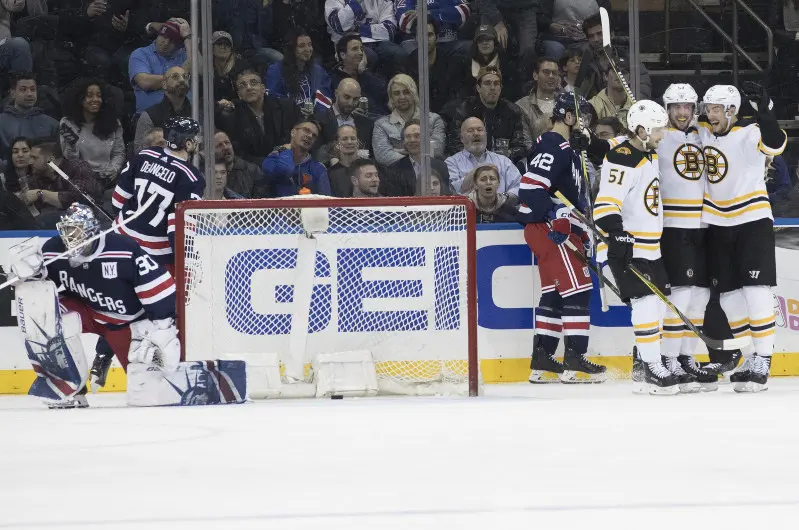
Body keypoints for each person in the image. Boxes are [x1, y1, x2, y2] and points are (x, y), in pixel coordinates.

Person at [6, 204, 180, 408]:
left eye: (76, 230)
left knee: (147, 398)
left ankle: (109, 358)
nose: (70, 237)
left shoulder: (122, 249)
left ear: (91, 230)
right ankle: (66, 386)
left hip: (127, 324)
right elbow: (44, 288)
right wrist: (27, 278)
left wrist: (163, 328)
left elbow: (161, 287)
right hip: (87, 311)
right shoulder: (54, 250)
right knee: (39, 302)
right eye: (67, 230)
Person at [697, 84, 786, 392]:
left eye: (717, 109)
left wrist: (768, 115)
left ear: (732, 111)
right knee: (728, 295)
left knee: (756, 289)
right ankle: (749, 356)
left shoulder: (750, 134)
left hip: (752, 220)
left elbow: (775, 144)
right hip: (718, 224)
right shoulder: (704, 134)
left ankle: (763, 359)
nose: (711, 114)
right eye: (709, 108)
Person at [518, 91, 606, 384]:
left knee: (556, 293)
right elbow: (530, 188)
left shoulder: (566, 147)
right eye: (584, 120)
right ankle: (575, 363)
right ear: (569, 117)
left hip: (553, 228)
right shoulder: (555, 147)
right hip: (552, 230)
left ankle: (542, 360)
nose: (587, 127)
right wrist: (558, 219)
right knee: (579, 290)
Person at [593, 100, 672, 394]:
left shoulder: (646, 153)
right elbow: (605, 204)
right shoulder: (622, 158)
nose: (663, 135)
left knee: (660, 304)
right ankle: (653, 367)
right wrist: (617, 233)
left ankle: (642, 364)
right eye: (659, 129)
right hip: (628, 244)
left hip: (651, 247)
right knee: (646, 303)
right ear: (642, 130)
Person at [648, 84, 717, 392]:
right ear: (666, 107)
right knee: (680, 296)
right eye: (675, 106)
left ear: (694, 108)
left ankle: (687, 357)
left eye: (686, 106)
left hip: (704, 225)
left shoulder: (705, 135)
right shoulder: (657, 135)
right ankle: (668, 359)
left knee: (700, 297)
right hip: (674, 227)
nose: (681, 112)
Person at [111, 117, 205, 273]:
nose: (197, 142)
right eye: (195, 138)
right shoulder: (191, 177)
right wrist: (188, 265)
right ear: (187, 143)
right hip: (156, 257)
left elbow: (118, 200)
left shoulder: (145, 154)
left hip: (121, 241)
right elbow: (180, 231)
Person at [217, 68, 297, 166]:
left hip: (284, 162)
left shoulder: (284, 107)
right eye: (242, 86)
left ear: (263, 88)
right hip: (252, 169)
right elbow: (239, 154)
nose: (249, 88)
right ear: (239, 95)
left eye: (253, 83)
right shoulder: (232, 116)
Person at [448, 67, 528, 162]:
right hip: (470, 162)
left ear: (501, 88)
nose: (492, 88)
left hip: (503, 163)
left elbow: (520, 146)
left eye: (496, 83)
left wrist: (507, 153)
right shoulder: (465, 110)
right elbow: (455, 144)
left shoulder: (512, 111)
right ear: (478, 88)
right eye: (487, 83)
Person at [59, 79, 125, 186]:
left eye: (99, 96)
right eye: (89, 96)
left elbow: (118, 152)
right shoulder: (67, 123)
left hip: (107, 178)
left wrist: (113, 169)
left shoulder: (113, 123)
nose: (95, 99)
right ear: (80, 99)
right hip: (80, 178)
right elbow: (70, 160)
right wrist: (72, 146)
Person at [25, 141, 103, 229]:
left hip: (85, 222)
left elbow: (80, 199)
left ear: (50, 159)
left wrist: (42, 194)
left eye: (34, 158)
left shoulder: (78, 167)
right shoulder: (36, 177)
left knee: (44, 219)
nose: (30, 162)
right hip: (51, 227)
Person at [372, 74, 445, 166]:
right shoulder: (381, 124)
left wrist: (397, 151)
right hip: (397, 175)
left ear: (414, 94)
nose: (402, 97)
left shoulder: (433, 120)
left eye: (406, 92)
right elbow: (383, 156)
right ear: (391, 98)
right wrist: (414, 158)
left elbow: (437, 150)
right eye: (396, 93)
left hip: (429, 172)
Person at [324, 0, 405, 77]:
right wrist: (356, 2)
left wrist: (357, 29)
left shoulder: (384, 2)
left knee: (398, 53)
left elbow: (389, 31)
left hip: (377, 42)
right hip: (348, 43)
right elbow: (338, 25)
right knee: (370, 57)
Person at [129, 19, 192, 112]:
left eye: (172, 41)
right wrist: (182, 75)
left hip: (185, 115)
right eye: (164, 36)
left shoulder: (183, 55)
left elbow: (202, 70)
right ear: (158, 35)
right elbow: (145, 82)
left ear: (179, 45)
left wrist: (188, 38)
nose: (166, 43)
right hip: (152, 119)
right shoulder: (140, 54)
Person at [445, 117, 521, 195]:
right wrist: (477, 171)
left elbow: (518, 186)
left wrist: (503, 198)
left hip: (501, 206)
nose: (476, 133)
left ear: (486, 135)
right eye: (470, 131)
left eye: (480, 130)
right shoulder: (451, 163)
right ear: (462, 138)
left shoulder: (504, 162)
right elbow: (451, 191)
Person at [265, 29, 333, 113]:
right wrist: (296, 111)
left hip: (315, 120)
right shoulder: (276, 71)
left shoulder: (318, 71)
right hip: (288, 120)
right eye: (301, 46)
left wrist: (315, 113)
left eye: (309, 45)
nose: (308, 49)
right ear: (291, 49)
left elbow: (325, 98)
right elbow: (272, 99)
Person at [262, 119, 331, 196]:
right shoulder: (272, 159)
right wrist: (286, 151)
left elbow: (325, 200)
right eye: (306, 130)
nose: (310, 136)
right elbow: (285, 171)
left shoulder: (319, 168)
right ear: (293, 132)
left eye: (314, 135)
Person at [0, 73, 59, 163]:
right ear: (13, 93)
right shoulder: (2, 122)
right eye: (23, 90)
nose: (29, 94)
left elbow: (58, 158)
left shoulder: (52, 124)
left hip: (44, 174)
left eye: (33, 89)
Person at [133, 66, 192, 154]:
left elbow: (209, 145)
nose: (182, 80)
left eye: (185, 76)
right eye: (175, 77)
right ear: (164, 84)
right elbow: (139, 150)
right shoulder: (150, 115)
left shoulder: (198, 112)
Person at [385, 121, 450, 196]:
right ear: (403, 141)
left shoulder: (441, 166)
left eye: (417, 136)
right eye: (408, 136)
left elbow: (445, 195)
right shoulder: (394, 170)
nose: (412, 140)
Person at [406, 18, 458, 113]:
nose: (425, 40)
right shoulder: (408, 64)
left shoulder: (450, 61)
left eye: (429, 35)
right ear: (415, 38)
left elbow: (455, 96)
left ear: (436, 37)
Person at [329, 33, 387, 114]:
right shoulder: (333, 79)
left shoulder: (368, 74)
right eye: (355, 49)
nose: (360, 53)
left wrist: (364, 72)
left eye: (361, 49)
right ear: (343, 55)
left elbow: (382, 95)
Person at [479, 0, 539, 77]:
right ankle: (490, 84)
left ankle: (527, 86)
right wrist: (497, 21)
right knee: (490, 47)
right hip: (495, 7)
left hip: (526, 9)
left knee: (528, 50)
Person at [396, 0, 471, 60]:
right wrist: (446, 15)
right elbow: (404, 21)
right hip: (415, 44)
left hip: (448, 43)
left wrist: (428, 14)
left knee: (469, 47)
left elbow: (464, 11)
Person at [454, 24, 513, 101]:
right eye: (480, 40)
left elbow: (510, 90)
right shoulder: (466, 62)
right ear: (476, 43)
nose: (484, 43)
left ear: (494, 42)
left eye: (488, 39)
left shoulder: (504, 62)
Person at [516, 58, 565, 147]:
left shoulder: (567, 104)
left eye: (555, 73)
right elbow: (526, 144)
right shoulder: (522, 106)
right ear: (535, 75)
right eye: (546, 72)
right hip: (536, 157)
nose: (551, 76)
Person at [214, 131, 267, 199]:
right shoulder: (206, 174)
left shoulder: (253, 171)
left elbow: (260, 204)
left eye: (227, 143)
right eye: (219, 145)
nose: (225, 147)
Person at [327, 124, 370, 197]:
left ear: (358, 143)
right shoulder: (331, 173)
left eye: (353, 138)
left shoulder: (371, 167)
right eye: (344, 139)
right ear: (337, 144)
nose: (349, 142)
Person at [212, 31, 250, 105]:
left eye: (227, 44)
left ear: (231, 49)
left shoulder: (242, 66)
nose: (223, 47)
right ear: (212, 47)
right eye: (219, 43)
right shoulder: (205, 66)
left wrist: (232, 103)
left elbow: (247, 94)